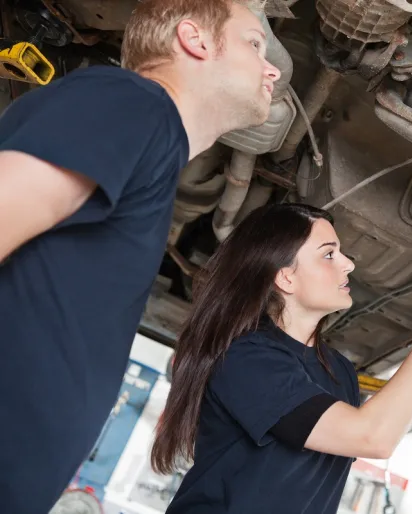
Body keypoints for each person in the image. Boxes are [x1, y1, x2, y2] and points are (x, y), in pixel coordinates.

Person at [0, 1, 280, 511]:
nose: (274, 66)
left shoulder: (149, 131)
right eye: (254, 44)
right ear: (195, 40)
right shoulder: (133, 102)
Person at [151, 203, 412, 513]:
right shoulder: (245, 359)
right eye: (329, 255)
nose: (349, 264)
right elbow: (372, 437)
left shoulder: (339, 370)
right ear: (286, 277)